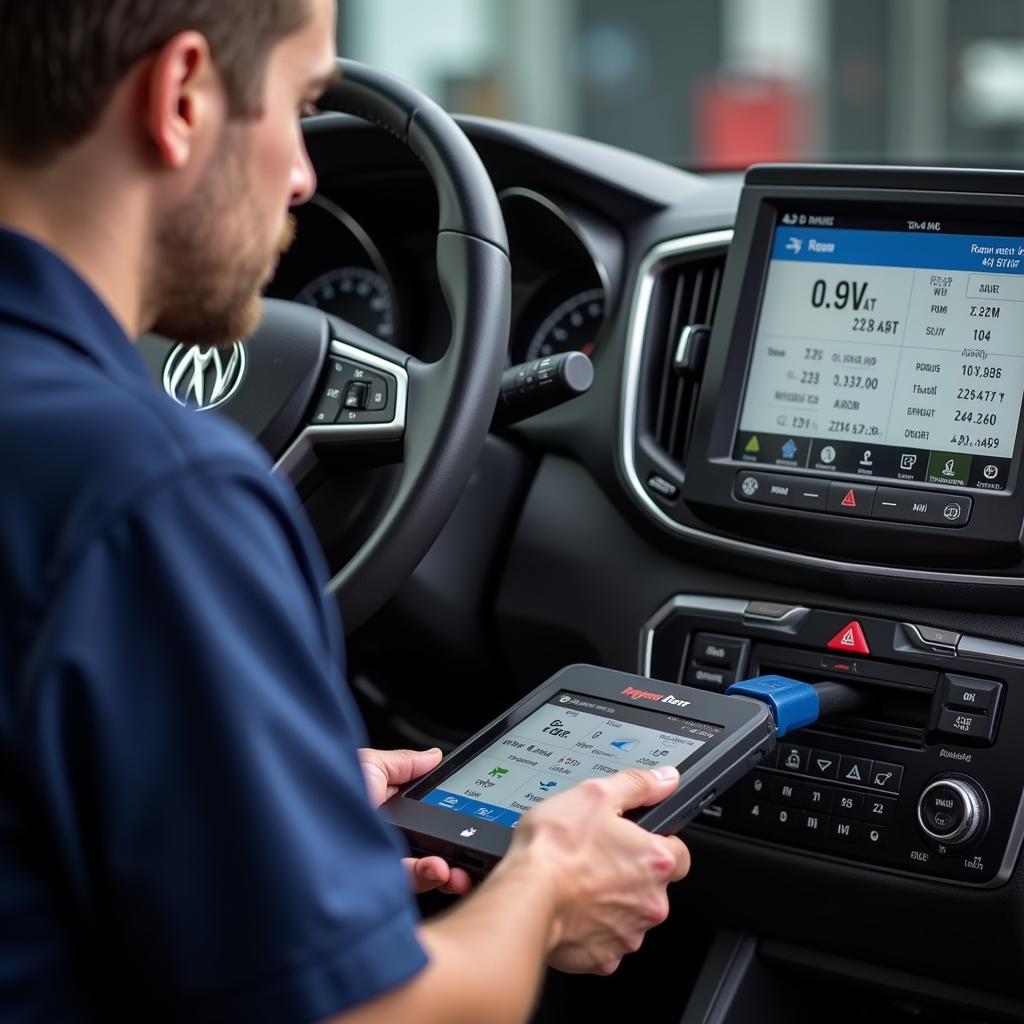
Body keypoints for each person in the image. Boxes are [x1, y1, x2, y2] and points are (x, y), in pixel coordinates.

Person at [0, 1, 691, 1021]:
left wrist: (267, 788)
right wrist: (545, 888)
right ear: (182, 96)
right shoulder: (161, 494)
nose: (303, 175)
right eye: (300, 103)